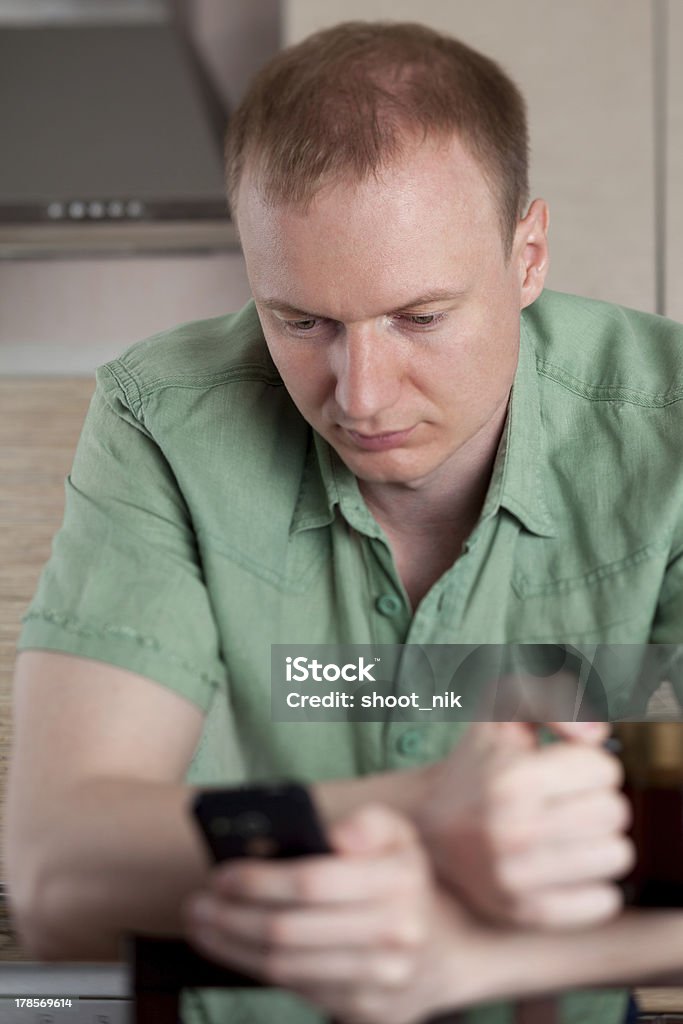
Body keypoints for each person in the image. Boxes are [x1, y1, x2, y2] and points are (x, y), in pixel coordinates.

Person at [5, 19, 683, 1024]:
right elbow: (59, 884)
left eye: (420, 316)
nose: (359, 396)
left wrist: (467, 967)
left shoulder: (665, 426)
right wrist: (418, 813)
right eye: (300, 320)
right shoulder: (160, 419)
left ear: (527, 253)